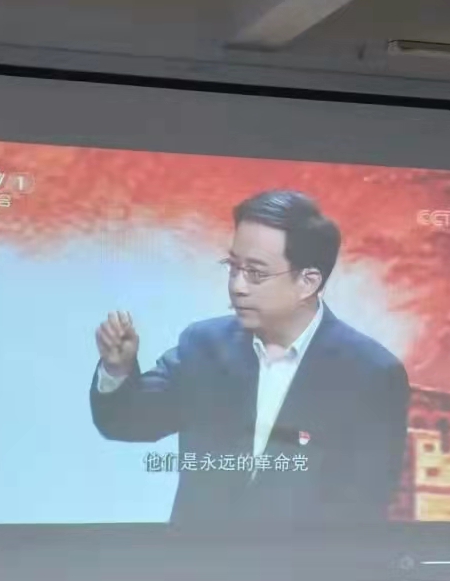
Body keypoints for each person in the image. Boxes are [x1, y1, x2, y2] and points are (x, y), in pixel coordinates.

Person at [89, 190, 409, 530]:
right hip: (196, 560)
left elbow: (363, 506)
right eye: (233, 267)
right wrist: (116, 369)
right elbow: (126, 422)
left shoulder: (371, 374)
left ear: (307, 282)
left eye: (255, 273)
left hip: (302, 562)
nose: (237, 286)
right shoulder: (203, 346)